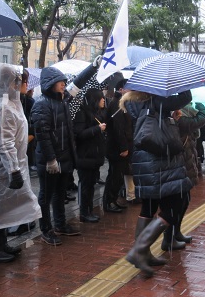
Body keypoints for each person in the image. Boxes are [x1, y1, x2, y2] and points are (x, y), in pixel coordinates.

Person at [0, 64, 42, 263]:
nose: (21, 83)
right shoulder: (3, 106)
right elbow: (3, 143)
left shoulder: (10, 101)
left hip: (2, 165)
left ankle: (0, 244)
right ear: (9, 83)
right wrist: (14, 170)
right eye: (18, 80)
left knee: (1, 206)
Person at [122, 89, 193, 277]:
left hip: (143, 161)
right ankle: (139, 251)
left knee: (149, 207)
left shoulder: (136, 103)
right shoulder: (155, 102)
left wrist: (168, 114)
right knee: (175, 205)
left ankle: (143, 254)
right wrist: (183, 83)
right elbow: (186, 98)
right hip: (158, 163)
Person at [31, 66, 81, 246]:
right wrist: (51, 159)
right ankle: (46, 229)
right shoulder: (41, 105)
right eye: (60, 82)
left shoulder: (63, 100)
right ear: (50, 84)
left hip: (65, 158)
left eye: (64, 81)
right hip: (50, 161)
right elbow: (42, 136)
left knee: (60, 194)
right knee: (46, 195)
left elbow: (79, 83)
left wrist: (93, 67)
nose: (63, 84)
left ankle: (60, 224)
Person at [161, 101, 205, 251]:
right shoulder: (169, 116)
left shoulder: (174, 115)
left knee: (183, 200)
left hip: (183, 162)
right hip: (176, 164)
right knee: (175, 203)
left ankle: (176, 233)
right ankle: (168, 239)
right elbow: (198, 121)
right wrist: (201, 107)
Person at [73, 89, 107, 222]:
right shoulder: (82, 113)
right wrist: (97, 129)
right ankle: (83, 212)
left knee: (91, 184)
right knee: (85, 184)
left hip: (94, 156)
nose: (103, 100)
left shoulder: (96, 113)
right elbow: (80, 134)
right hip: (85, 156)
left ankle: (89, 210)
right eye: (101, 98)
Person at [104, 79, 132, 212]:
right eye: (128, 88)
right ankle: (109, 202)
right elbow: (118, 127)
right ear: (121, 89)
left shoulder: (122, 103)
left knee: (117, 175)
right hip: (116, 149)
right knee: (115, 176)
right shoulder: (117, 104)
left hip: (119, 147)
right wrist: (124, 147)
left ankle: (112, 200)